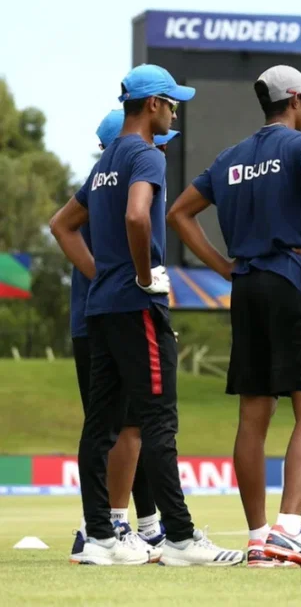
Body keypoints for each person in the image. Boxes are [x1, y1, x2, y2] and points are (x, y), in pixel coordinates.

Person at [50, 64, 242, 566]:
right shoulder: (146, 156)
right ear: (153, 104)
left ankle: (100, 537)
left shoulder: (106, 161)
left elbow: (62, 225)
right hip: (138, 306)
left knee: (100, 425)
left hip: (102, 309)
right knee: (158, 420)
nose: (175, 113)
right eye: (172, 103)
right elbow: (138, 214)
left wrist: (103, 274)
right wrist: (140, 274)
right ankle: (179, 537)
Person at [167, 65, 301, 569]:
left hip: (246, 287)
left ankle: (260, 538)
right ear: (296, 100)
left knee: (253, 414)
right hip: (295, 281)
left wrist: (224, 266)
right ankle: (289, 529)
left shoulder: (229, 158)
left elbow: (179, 214)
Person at [55, 110, 180, 564]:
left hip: (94, 316)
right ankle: (111, 525)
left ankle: (133, 525)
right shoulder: (126, 179)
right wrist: (131, 278)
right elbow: (132, 220)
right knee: (127, 427)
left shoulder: (100, 182)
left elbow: (60, 225)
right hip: (116, 314)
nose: (161, 147)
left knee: (117, 426)